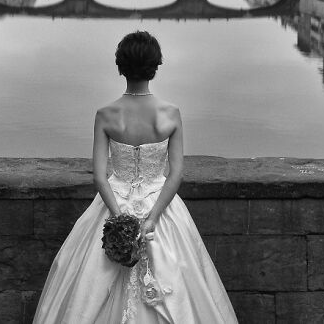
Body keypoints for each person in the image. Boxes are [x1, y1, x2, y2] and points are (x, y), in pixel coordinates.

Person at [33, 31, 238, 323]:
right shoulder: (170, 113)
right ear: (155, 67)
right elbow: (176, 174)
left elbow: (101, 177)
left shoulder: (106, 114)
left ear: (120, 67)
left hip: (115, 201)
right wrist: (152, 218)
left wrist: (118, 219)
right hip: (161, 207)